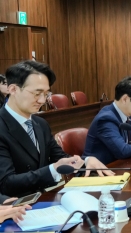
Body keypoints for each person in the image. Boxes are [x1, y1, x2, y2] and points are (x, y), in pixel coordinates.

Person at [0, 61, 113, 198]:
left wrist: (85, 161)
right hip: (14, 207)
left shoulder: (40, 124)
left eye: (46, 93)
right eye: (37, 93)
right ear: (13, 90)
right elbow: (6, 183)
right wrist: (53, 170)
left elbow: (61, 158)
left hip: (43, 199)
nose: (42, 100)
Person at [83, 77, 131, 165]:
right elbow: (122, 151)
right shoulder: (106, 119)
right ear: (125, 99)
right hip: (100, 171)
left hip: (122, 165)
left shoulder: (129, 115)